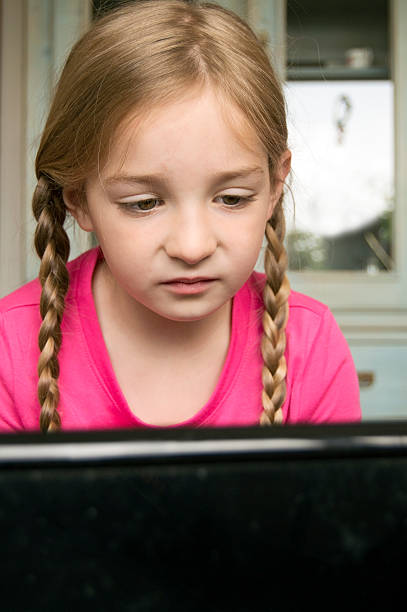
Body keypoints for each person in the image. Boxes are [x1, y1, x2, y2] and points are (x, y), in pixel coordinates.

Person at [0, 0, 360, 433]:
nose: (192, 248)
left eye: (231, 198)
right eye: (144, 204)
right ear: (77, 199)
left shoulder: (309, 346)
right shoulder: (10, 348)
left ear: (274, 185)